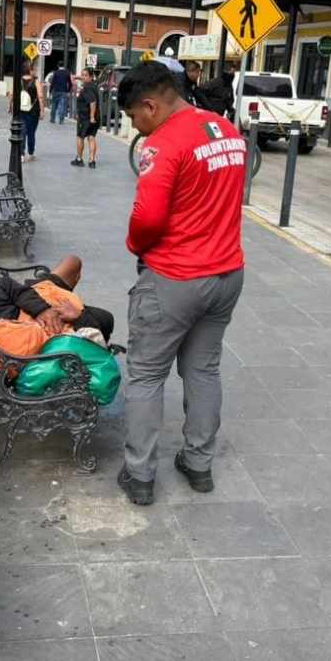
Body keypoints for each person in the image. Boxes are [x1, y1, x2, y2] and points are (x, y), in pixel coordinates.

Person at [115, 62, 245, 506]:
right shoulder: (227, 130)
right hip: (226, 274)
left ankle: (139, 475)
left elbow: (148, 219)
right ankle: (198, 464)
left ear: (151, 105)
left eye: (133, 116)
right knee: (204, 369)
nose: (134, 126)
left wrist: (134, 244)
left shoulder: (163, 143)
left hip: (175, 278)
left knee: (146, 374)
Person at [0, 254, 115, 351]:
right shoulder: (58, 350)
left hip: (39, 297)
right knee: (106, 318)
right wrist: (79, 318)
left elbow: (4, 284)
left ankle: (65, 294)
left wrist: (42, 309)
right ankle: (67, 295)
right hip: (66, 311)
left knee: (73, 262)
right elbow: (94, 347)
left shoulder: (1, 327)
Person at [10, 68, 44, 161]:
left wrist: (11, 106)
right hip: (33, 111)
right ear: (30, 71)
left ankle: (21, 154)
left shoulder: (18, 81)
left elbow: (12, 94)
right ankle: (30, 153)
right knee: (31, 132)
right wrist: (42, 110)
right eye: (33, 70)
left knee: (22, 131)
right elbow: (40, 96)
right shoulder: (36, 82)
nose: (35, 72)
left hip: (20, 109)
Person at [72, 68, 100, 168]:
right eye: (82, 75)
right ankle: (92, 161)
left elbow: (92, 102)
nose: (83, 77)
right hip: (95, 117)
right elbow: (85, 78)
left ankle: (79, 159)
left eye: (85, 75)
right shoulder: (93, 85)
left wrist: (91, 117)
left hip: (86, 117)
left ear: (91, 77)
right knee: (91, 137)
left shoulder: (87, 88)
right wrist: (76, 77)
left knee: (80, 137)